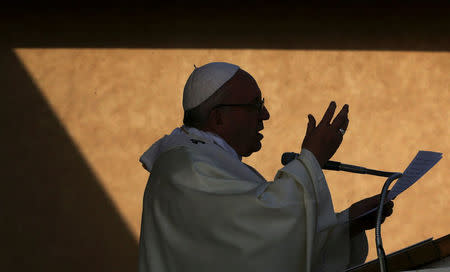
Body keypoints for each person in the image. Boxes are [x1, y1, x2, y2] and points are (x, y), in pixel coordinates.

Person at [138, 62, 394, 272]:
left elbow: (269, 245)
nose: (265, 115)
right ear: (218, 118)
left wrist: (350, 223)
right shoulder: (186, 170)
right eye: (256, 106)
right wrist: (312, 158)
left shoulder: (208, 163)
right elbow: (266, 237)